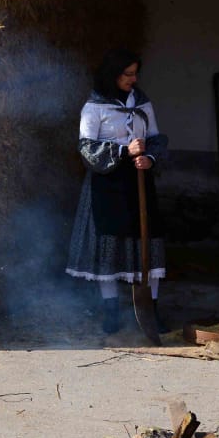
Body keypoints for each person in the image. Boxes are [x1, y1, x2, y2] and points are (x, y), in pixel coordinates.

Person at [66, 48, 169, 333]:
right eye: (128, 74)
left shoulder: (142, 104)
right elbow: (86, 148)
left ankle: (151, 310)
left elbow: (156, 138)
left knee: (147, 242)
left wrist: (149, 158)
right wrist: (125, 150)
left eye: (136, 73)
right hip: (107, 183)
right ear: (113, 75)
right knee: (108, 245)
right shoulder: (93, 107)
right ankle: (111, 311)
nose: (134, 79)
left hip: (139, 179)